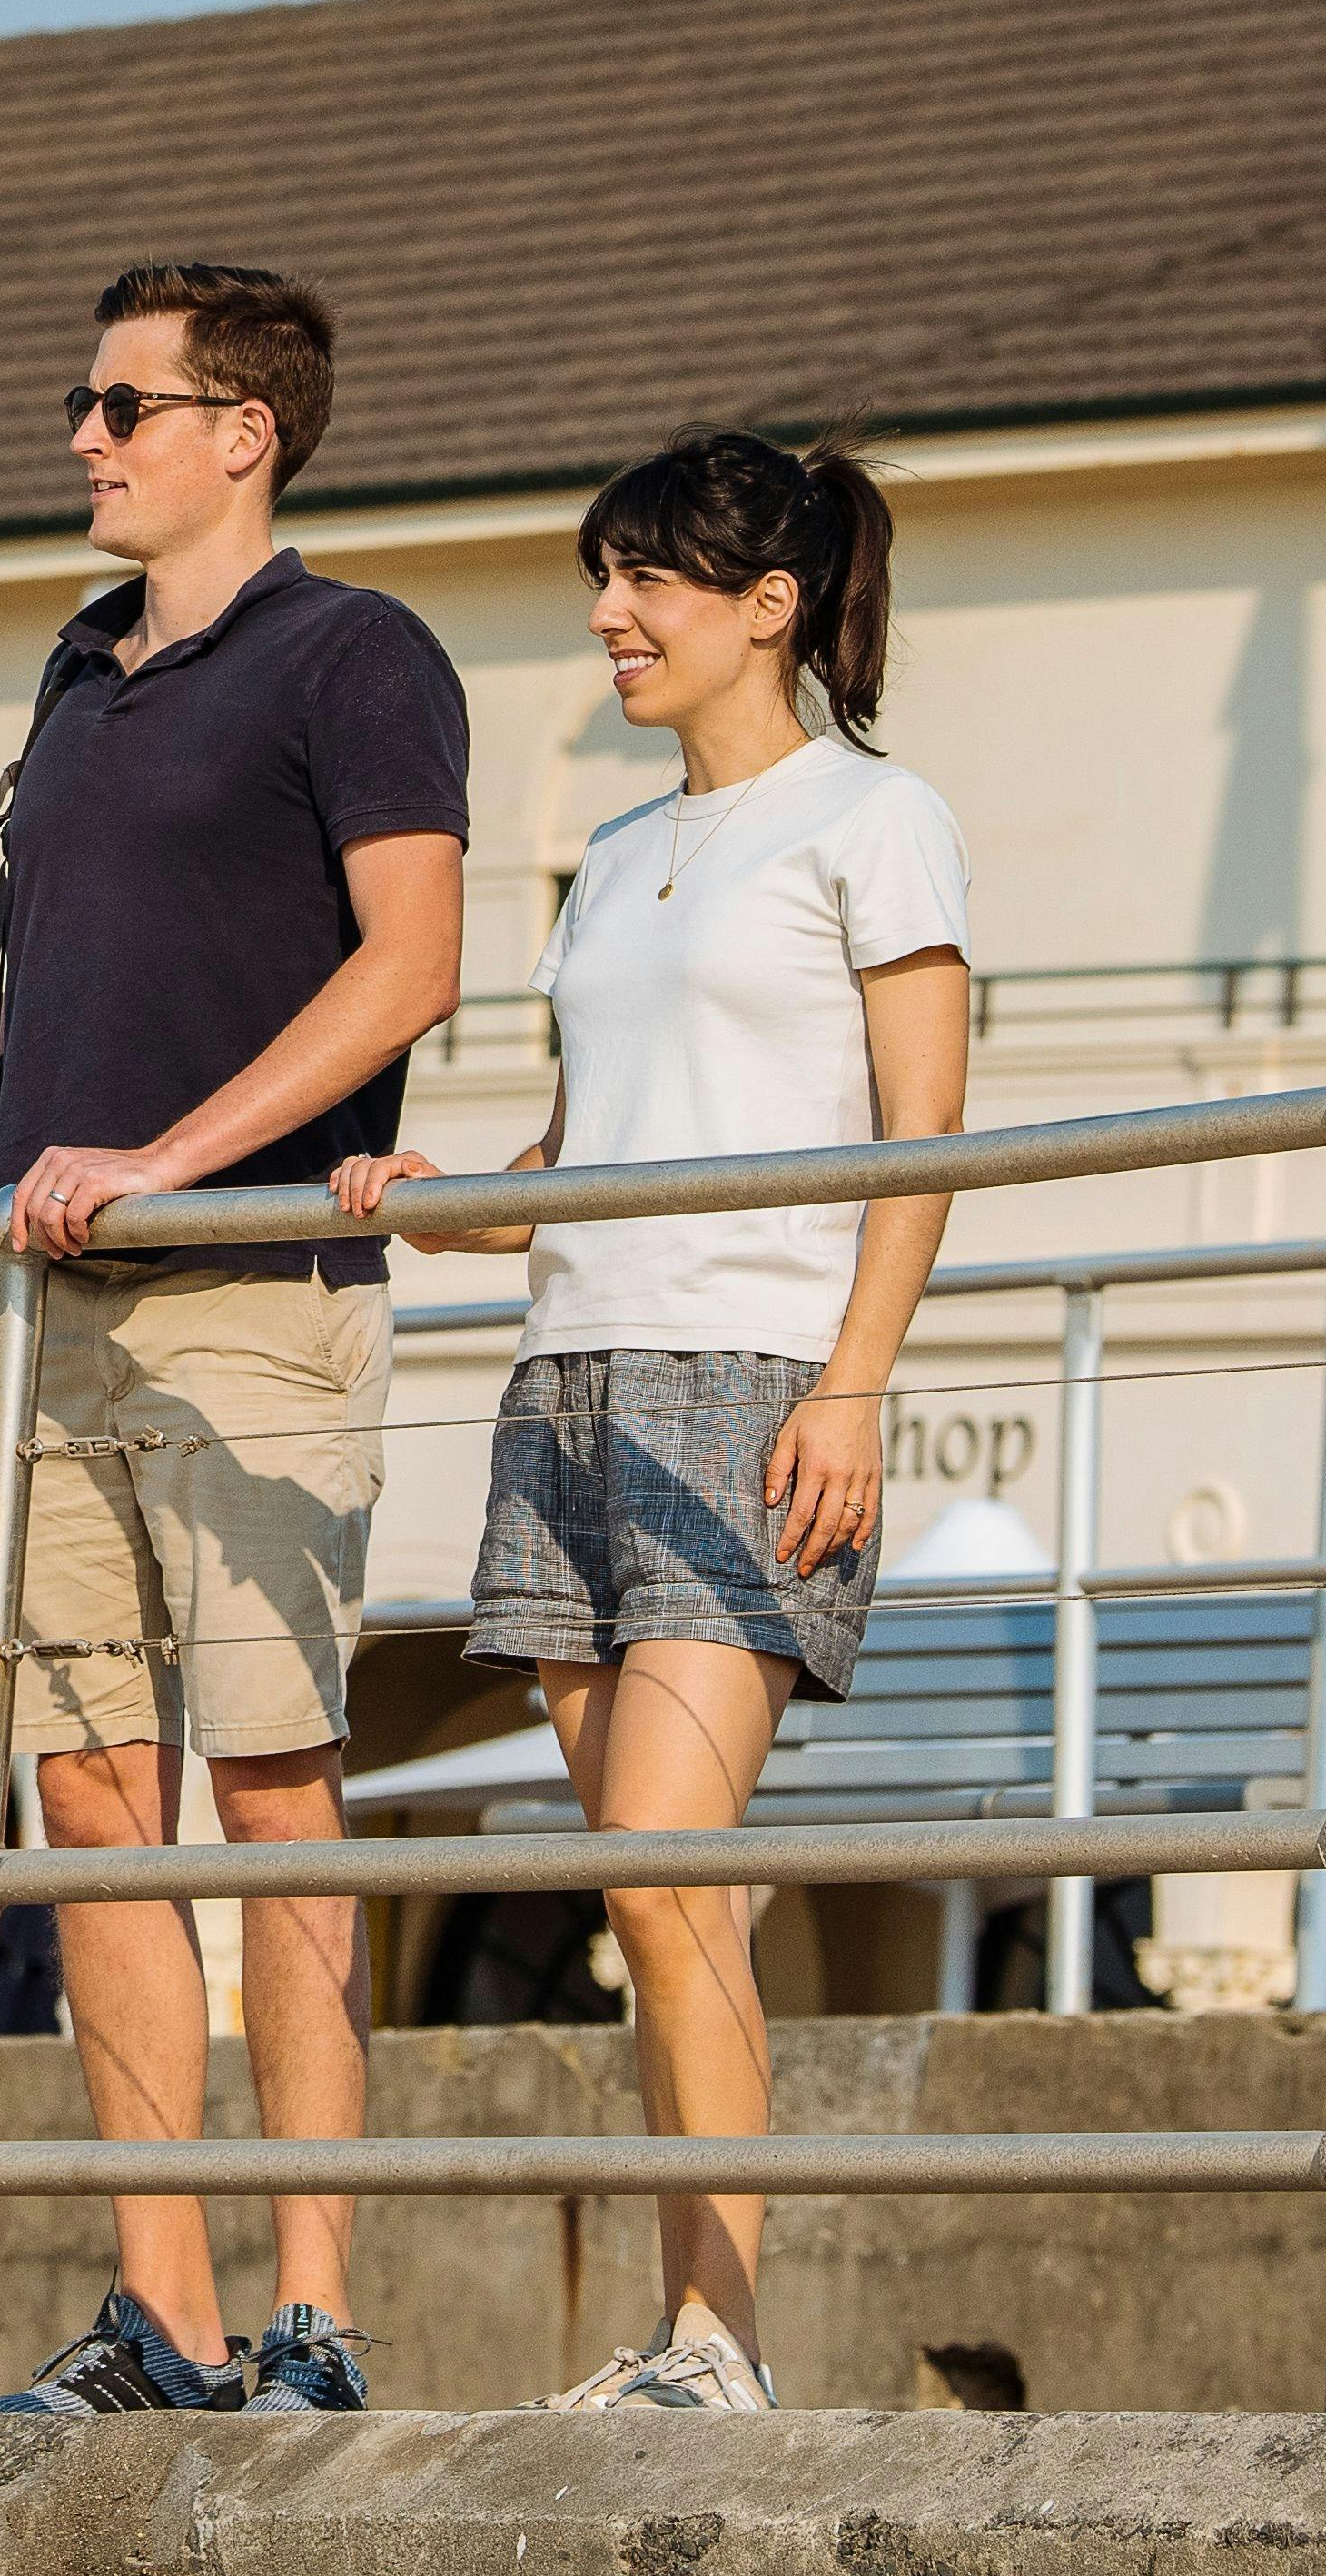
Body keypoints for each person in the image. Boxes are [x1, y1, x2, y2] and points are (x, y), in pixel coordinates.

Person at [0, 263, 466, 2420]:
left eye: (123, 403)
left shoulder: (358, 655)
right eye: (85, 402)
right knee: (90, 1805)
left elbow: (411, 965)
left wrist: (169, 1160)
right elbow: (41, 1003)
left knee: (272, 1795)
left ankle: (313, 2314)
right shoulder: (81, 672)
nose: (84, 435)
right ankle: (163, 2318)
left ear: (243, 431)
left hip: (249, 1300)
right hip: (45, 1316)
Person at [332, 428, 970, 2418]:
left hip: (754, 1383)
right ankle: (696, 2330)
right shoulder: (614, 856)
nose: (609, 615)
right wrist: (437, 1197)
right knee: (639, 1892)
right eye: (602, 580)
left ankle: (726, 2342)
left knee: (676, 1872)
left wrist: (856, 1381)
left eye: (647, 581)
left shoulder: (876, 819)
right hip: (566, 1385)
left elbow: (926, 1134)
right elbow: (584, 1153)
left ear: (767, 605)